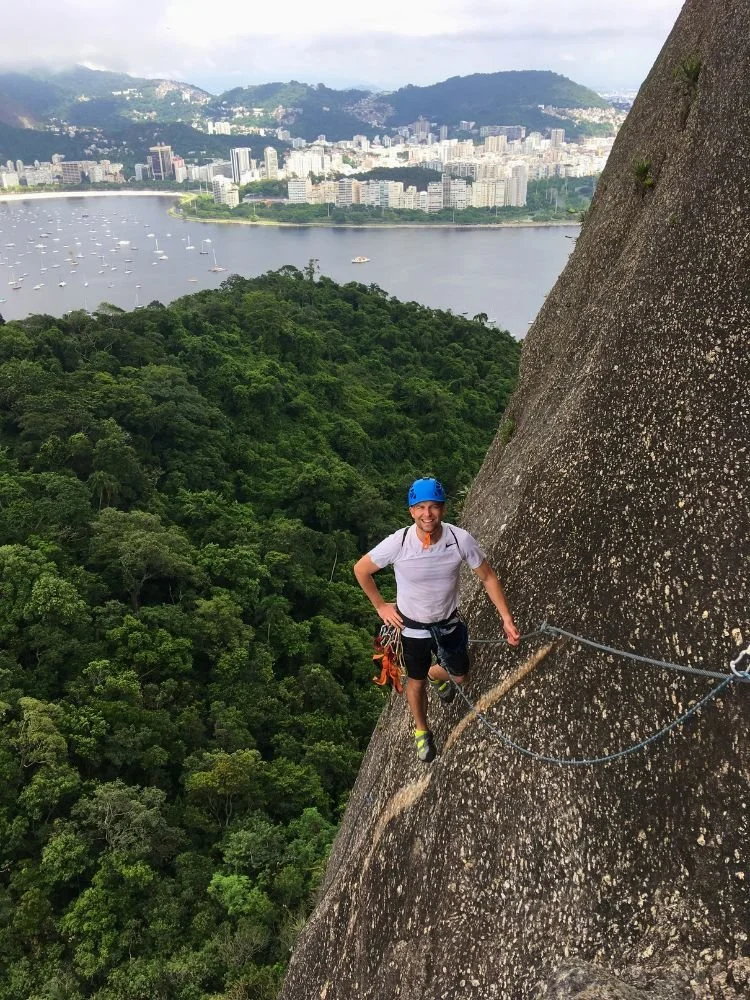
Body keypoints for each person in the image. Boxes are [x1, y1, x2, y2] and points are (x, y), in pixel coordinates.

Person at [354, 477, 520, 763]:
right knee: (414, 682)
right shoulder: (400, 542)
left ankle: (436, 674)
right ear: (411, 511)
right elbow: (361, 569)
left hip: (448, 623)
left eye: (433, 507)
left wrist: (506, 618)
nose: (427, 514)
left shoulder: (459, 540)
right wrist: (381, 607)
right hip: (412, 628)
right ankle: (422, 731)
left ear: (443, 509)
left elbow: (488, 576)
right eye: (420, 507)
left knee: (461, 677)